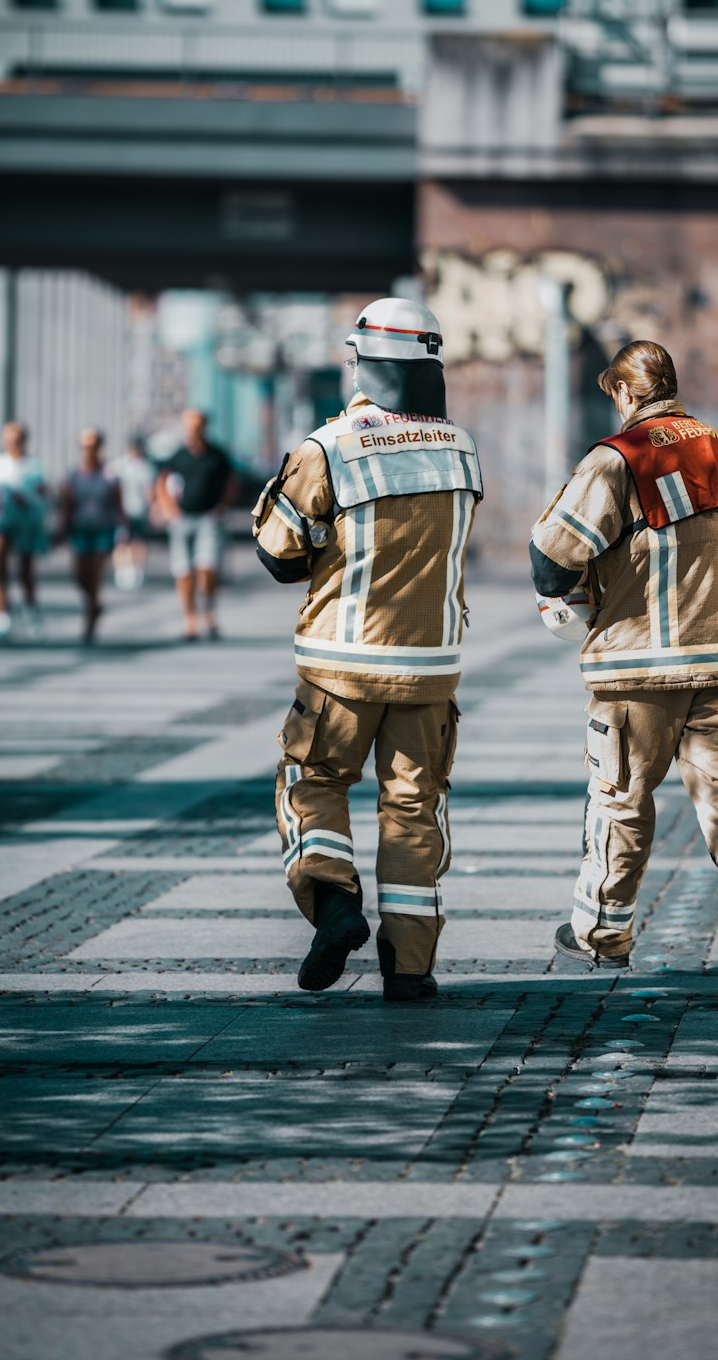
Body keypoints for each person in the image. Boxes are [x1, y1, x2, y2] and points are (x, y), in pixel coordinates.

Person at [530, 340, 718, 991]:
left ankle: (602, 931)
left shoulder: (619, 458)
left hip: (638, 667)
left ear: (626, 393)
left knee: (620, 798)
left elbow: (551, 560)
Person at [252, 297, 483, 1002]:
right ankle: (409, 970)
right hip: (430, 668)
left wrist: (324, 535)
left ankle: (335, 903)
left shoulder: (329, 447)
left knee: (311, 782)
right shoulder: (462, 445)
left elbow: (278, 549)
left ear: (362, 361)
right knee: (414, 809)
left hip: (340, 664)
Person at [157, 409, 234, 641]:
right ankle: (190, 617)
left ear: (204, 427)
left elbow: (231, 482)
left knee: (207, 567)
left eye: (197, 426)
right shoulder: (177, 456)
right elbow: (161, 482)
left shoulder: (217, 455)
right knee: (183, 572)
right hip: (182, 519)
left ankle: (208, 609)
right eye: (189, 427)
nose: (193, 431)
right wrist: (168, 509)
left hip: (208, 519)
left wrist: (223, 505)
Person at [0, 421, 49, 639]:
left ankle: (31, 615)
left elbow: (44, 494)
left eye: (16, 436)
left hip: (26, 524)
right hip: (1, 525)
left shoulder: (34, 466)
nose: (12, 441)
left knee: (26, 572)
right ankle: (2, 617)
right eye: (8, 437)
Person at [60, 428, 125, 643]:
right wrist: (62, 529)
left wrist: (126, 530)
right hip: (80, 529)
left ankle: (89, 622)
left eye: (93, 445)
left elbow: (118, 504)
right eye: (85, 446)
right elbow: (67, 505)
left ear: (99, 447)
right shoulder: (74, 475)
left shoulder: (109, 474)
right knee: (80, 575)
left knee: (95, 575)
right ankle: (94, 605)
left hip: (103, 530)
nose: (89, 450)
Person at [110, 435, 155, 592]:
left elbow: (149, 491)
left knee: (137, 541)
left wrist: (152, 509)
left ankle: (136, 569)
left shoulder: (146, 467)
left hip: (139, 511)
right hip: (122, 511)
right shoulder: (119, 465)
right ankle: (122, 569)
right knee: (121, 541)